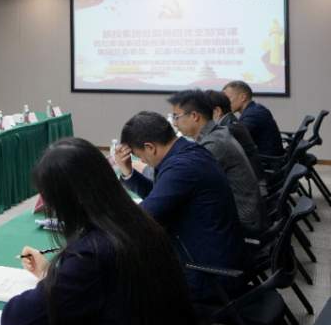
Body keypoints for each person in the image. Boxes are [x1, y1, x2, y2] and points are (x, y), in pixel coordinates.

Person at [1, 138, 223, 325]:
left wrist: (51, 280)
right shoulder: (138, 224)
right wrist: (50, 273)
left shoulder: (93, 255)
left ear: (74, 198)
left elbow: (17, 321)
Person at [114, 111, 249, 300]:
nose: (142, 161)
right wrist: (128, 172)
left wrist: (106, 215)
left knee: (125, 280)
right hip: (216, 257)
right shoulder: (189, 152)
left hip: (210, 274)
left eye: (139, 156)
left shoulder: (183, 167)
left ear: (150, 147)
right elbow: (161, 195)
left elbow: (143, 217)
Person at [168, 90, 266, 237]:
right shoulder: (216, 134)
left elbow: (184, 179)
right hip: (241, 212)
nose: (175, 123)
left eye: (177, 117)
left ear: (194, 116)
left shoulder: (214, 144)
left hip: (244, 221)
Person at [206, 89, 267, 188]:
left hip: (249, 188)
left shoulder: (227, 131)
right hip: (249, 182)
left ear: (217, 111)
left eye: (203, 113)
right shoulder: (232, 122)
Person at [223, 80, 285, 158]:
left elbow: (231, 138)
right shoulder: (256, 109)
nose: (225, 103)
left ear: (242, 97)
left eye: (227, 98)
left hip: (266, 161)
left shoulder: (253, 115)